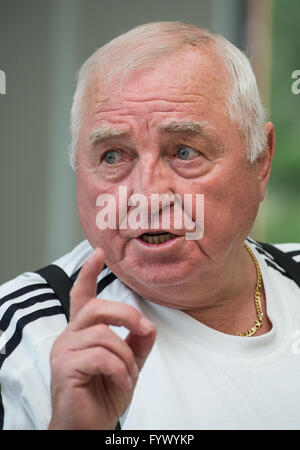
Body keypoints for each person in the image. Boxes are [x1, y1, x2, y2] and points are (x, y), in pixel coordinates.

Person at [0, 21, 300, 430]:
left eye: (184, 151)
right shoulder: (22, 335)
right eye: (112, 156)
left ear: (260, 161)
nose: (146, 195)